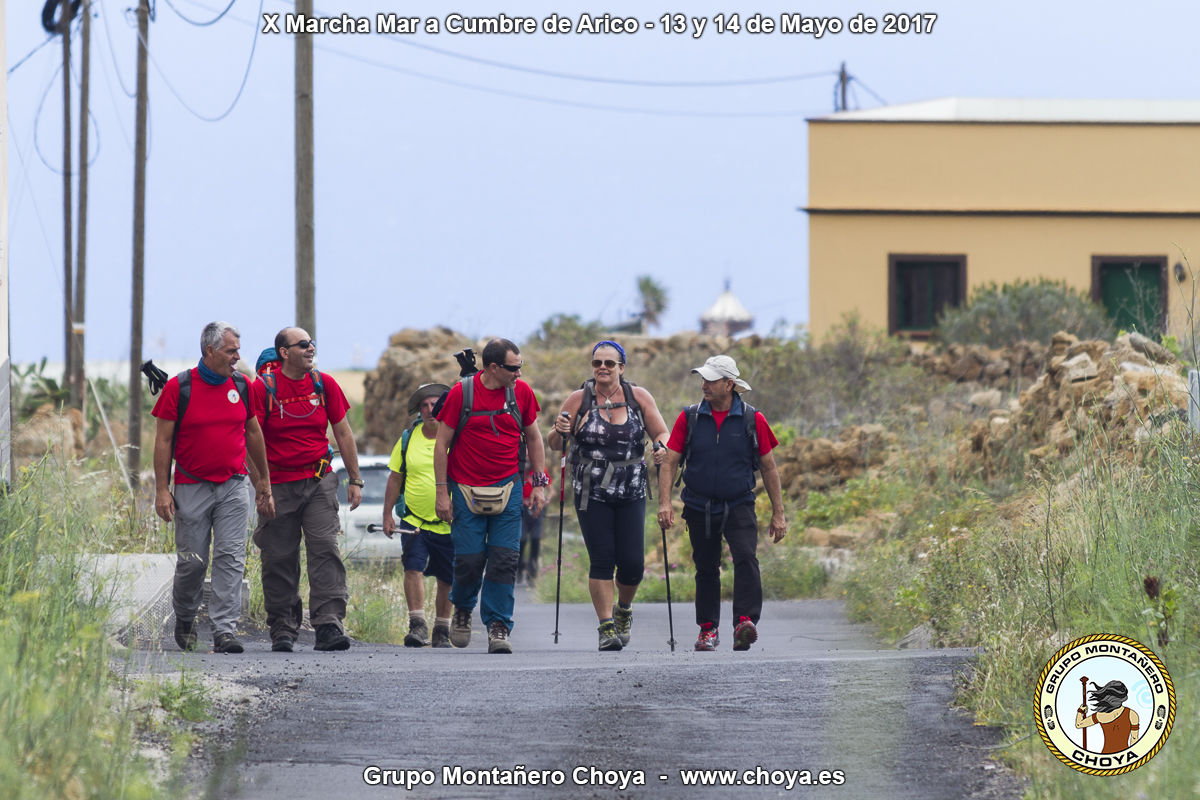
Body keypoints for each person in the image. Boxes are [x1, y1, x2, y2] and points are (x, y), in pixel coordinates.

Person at [152, 321, 274, 654]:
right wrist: (162, 490)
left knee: (230, 557)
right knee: (193, 561)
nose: (237, 357)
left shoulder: (243, 386)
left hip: (234, 485)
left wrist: (262, 481)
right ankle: (186, 617)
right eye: (231, 350)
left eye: (238, 350)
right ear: (210, 350)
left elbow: (253, 434)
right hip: (192, 485)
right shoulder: (180, 387)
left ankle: (224, 630)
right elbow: (163, 441)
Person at [656, 354, 787, 652]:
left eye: (711, 380)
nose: (704, 384)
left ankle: (744, 622)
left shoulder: (753, 419)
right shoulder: (689, 416)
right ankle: (708, 629)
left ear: (729, 384)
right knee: (706, 568)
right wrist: (665, 503)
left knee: (745, 558)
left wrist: (778, 513)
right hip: (699, 504)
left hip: (739, 503)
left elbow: (769, 467)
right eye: (702, 379)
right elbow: (671, 461)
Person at [548, 340, 669, 651]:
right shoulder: (579, 399)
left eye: (609, 363)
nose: (602, 368)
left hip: (631, 488)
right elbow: (554, 443)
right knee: (601, 559)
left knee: (632, 565)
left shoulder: (638, 397)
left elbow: (661, 432)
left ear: (622, 368)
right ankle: (605, 627)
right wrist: (559, 428)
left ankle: (623, 610)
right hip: (591, 490)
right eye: (597, 363)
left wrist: (661, 447)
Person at [433, 338, 549, 654]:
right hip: (464, 488)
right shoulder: (462, 394)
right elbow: (441, 443)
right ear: (494, 367)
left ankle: (498, 626)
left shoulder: (521, 393)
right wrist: (441, 492)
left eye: (521, 367)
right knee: (469, 560)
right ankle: (463, 607)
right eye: (514, 368)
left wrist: (539, 483)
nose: (519, 374)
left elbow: (535, 439)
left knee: (504, 560)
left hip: (508, 488)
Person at [250, 328, 362, 653]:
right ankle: (283, 628)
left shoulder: (323, 384)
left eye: (312, 343)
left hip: (319, 480)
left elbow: (343, 432)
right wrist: (261, 486)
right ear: (284, 352)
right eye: (303, 345)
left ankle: (328, 624)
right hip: (279, 485)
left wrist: (355, 479)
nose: (311, 348)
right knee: (279, 557)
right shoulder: (263, 389)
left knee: (325, 549)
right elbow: (250, 440)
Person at [382, 383, 454, 648]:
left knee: (447, 576)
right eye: (424, 405)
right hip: (414, 521)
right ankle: (418, 626)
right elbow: (395, 478)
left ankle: (442, 630)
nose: (429, 409)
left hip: (449, 522)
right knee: (412, 568)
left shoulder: (455, 437)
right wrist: (387, 515)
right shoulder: (408, 438)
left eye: (434, 404)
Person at [1076, 680, 1140, 753]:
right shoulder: (1132, 714)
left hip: (1105, 755)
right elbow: (1134, 739)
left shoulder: (1100, 715)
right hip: (1124, 757)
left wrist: (1080, 711)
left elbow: (1079, 724)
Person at [517, 471, 549, 587]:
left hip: (537, 508)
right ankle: (519, 567)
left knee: (536, 539)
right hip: (522, 508)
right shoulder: (519, 466)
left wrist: (547, 498)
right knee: (522, 539)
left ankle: (532, 572)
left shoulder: (540, 469)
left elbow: (549, 487)